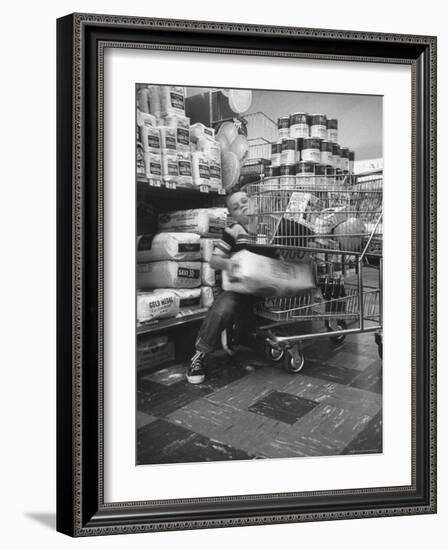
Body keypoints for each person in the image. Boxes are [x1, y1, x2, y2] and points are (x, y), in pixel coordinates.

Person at [186, 191, 259, 384]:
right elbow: (214, 260)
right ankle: (198, 356)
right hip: (239, 288)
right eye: (236, 207)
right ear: (232, 215)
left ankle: (249, 338)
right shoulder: (233, 231)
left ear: (254, 202)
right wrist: (230, 265)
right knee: (223, 307)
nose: (242, 206)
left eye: (245, 201)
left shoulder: (268, 229)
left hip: (263, 287)